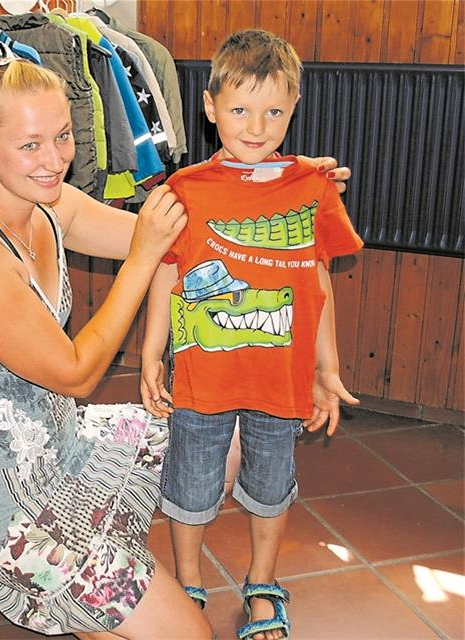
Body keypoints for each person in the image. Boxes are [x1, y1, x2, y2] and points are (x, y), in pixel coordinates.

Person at [0, 57, 349, 639]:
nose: (54, 161)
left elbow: (192, 232)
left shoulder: (52, 206)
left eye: (63, 136)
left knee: (216, 441)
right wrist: (143, 258)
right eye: (29, 145)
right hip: (10, 506)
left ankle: (59, 586)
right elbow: (76, 374)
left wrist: (276, 183)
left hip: (64, 447)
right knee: (192, 636)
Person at [140, 29, 363, 640]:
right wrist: (151, 352)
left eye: (273, 112)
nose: (257, 127)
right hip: (202, 376)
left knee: (270, 484)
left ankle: (263, 583)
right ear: (210, 107)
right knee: (190, 484)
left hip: (280, 379)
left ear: (294, 108)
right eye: (240, 109)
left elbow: (319, 279)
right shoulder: (184, 190)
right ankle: (188, 582)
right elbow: (165, 271)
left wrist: (326, 368)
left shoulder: (313, 187)